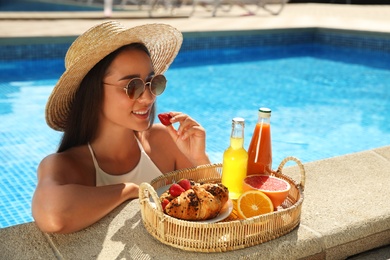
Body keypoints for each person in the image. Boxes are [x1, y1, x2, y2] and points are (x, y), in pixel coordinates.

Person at [32, 21, 210, 234]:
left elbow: (222, 204)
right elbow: (54, 217)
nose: (148, 97)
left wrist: (199, 159)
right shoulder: (65, 165)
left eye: (152, 82)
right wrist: (129, 191)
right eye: (132, 85)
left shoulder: (165, 141)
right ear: (93, 92)